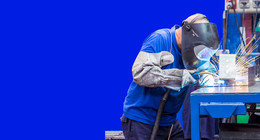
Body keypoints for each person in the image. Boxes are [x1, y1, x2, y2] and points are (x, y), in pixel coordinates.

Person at [121, 13, 219, 140]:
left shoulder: (193, 50)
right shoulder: (160, 39)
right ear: (188, 33)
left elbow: (205, 66)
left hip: (169, 121)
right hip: (143, 120)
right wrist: (178, 77)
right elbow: (140, 73)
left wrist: (210, 75)